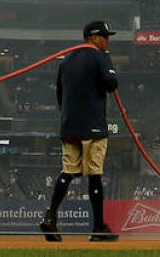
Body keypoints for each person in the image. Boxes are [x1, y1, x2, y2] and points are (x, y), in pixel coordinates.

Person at [41, 21, 120, 243]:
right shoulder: (101, 56)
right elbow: (112, 83)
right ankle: (97, 228)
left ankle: (51, 216)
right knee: (94, 175)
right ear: (94, 38)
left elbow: (59, 94)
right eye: (105, 36)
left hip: (69, 125)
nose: (108, 40)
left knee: (67, 172)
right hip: (93, 124)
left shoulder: (66, 59)